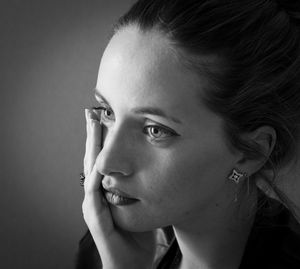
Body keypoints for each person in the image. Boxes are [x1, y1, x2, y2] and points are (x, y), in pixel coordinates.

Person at [76, 0, 300, 268]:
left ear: (250, 153)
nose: (105, 163)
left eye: (155, 130)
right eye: (108, 112)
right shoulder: (104, 244)